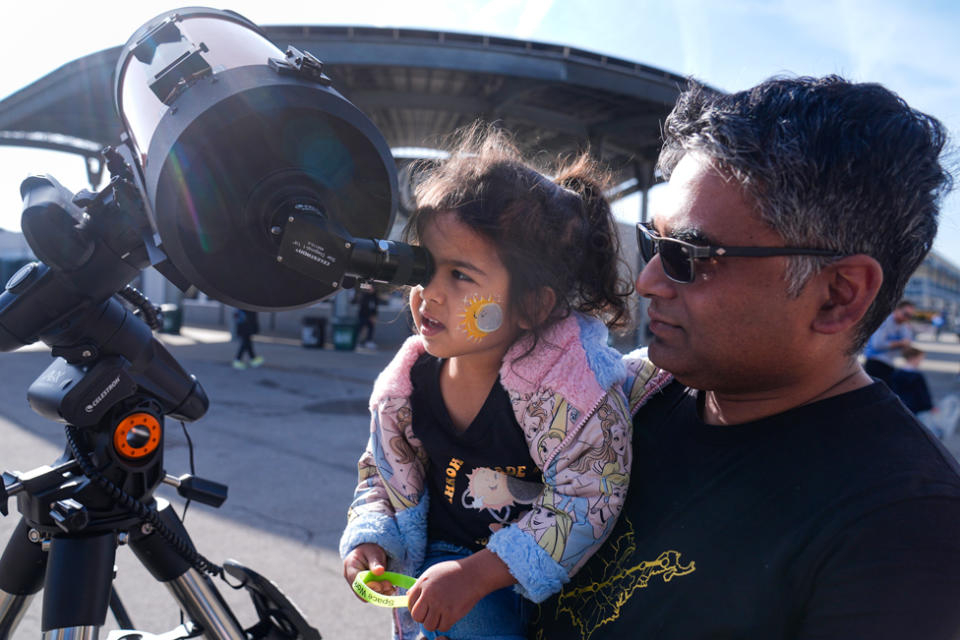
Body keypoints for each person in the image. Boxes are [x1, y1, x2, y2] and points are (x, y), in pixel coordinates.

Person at [534, 76, 960, 639]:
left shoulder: (902, 531)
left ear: (838, 294)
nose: (647, 282)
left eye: (687, 254)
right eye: (652, 243)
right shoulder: (629, 398)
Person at [339, 124, 670, 639]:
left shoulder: (568, 393)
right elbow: (382, 475)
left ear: (532, 305)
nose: (429, 292)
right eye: (425, 266)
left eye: (461, 276)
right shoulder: (409, 385)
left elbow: (587, 499)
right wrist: (371, 539)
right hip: (438, 562)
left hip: (524, 572)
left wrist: (478, 574)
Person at [863, 299, 916, 383]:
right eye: (905, 314)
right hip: (875, 362)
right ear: (897, 309)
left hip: (889, 364)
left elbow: (906, 347)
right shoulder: (885, 322)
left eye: (910, 316)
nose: (907, 318)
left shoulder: (904, 326)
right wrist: (901, 343)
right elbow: (877, 344)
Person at [887, 346, 934, 414]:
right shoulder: (917, 376)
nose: (921, 361)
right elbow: (922, 392)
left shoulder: (897, 373)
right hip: (915, 406)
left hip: (900, 404)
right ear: (913, 358)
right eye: (920, 358)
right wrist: (929, 406)